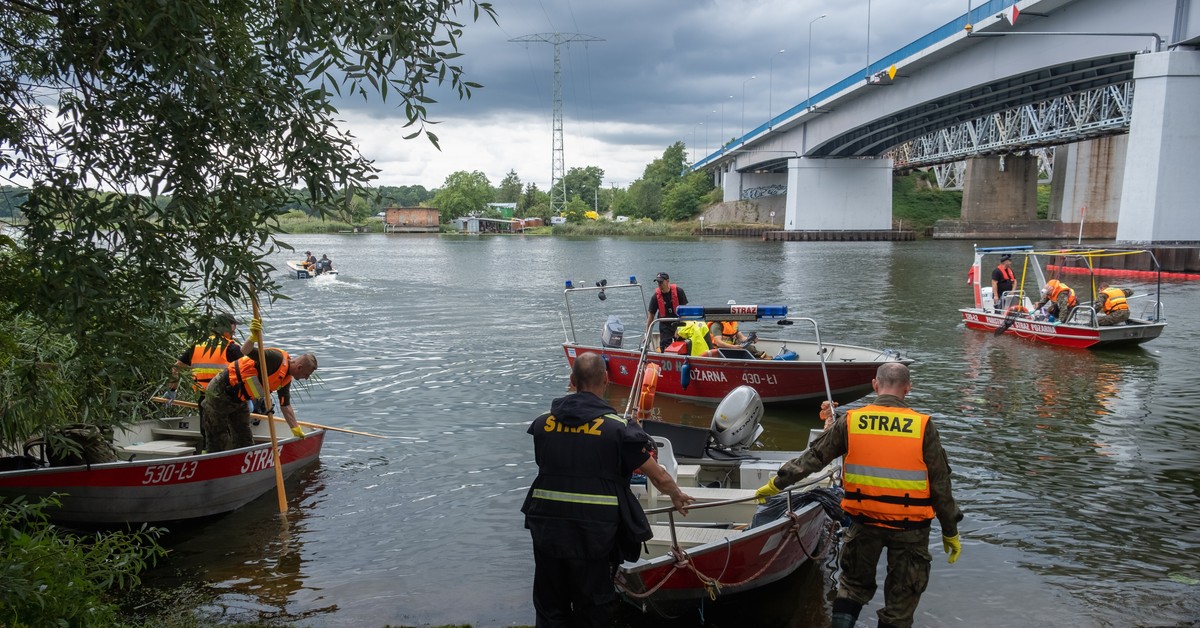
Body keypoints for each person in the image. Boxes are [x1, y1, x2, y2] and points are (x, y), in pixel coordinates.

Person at [754, 363, 963, 628]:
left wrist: (777, 483)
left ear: (875, 385)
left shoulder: (852, 421)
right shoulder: (923, 426)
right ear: (908, 388)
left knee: (852, 588)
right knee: (901, 601)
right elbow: (940, 484)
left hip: (864, 522)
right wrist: (950, 530)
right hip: (910, 529)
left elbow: (815, 457)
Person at [522, 352, 693, 627]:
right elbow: (658, 475)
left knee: (550, 604)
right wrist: (677, 495)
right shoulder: (617, 429)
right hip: (594, 533)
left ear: (572, 380)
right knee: (593, 605)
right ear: (606, 380)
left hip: (546, 527)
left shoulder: (543, 423)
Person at [200, 325, 318, 453]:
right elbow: (245, 351)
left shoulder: (286, 378)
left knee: (244, 435)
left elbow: (285, 405)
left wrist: (295, 429)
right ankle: (213, 459)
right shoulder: (275, 358)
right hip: (221, 390)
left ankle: (243, 459)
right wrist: (252, 337)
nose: (306, 378)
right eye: (307, 374)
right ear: (299, 367)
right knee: (217, 436)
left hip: (239, 398)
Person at [646, 272, 688, 351]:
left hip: (679, 323)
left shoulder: (679, 292)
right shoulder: (655, 297)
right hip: (665, 326)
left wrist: (679, 328)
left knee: (683, 346)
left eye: (661, 282)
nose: (659, 284)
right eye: (658, 282)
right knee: (666, 347)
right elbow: (651, 317)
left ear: (667, 281)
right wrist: (648, 333)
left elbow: (684, 312)